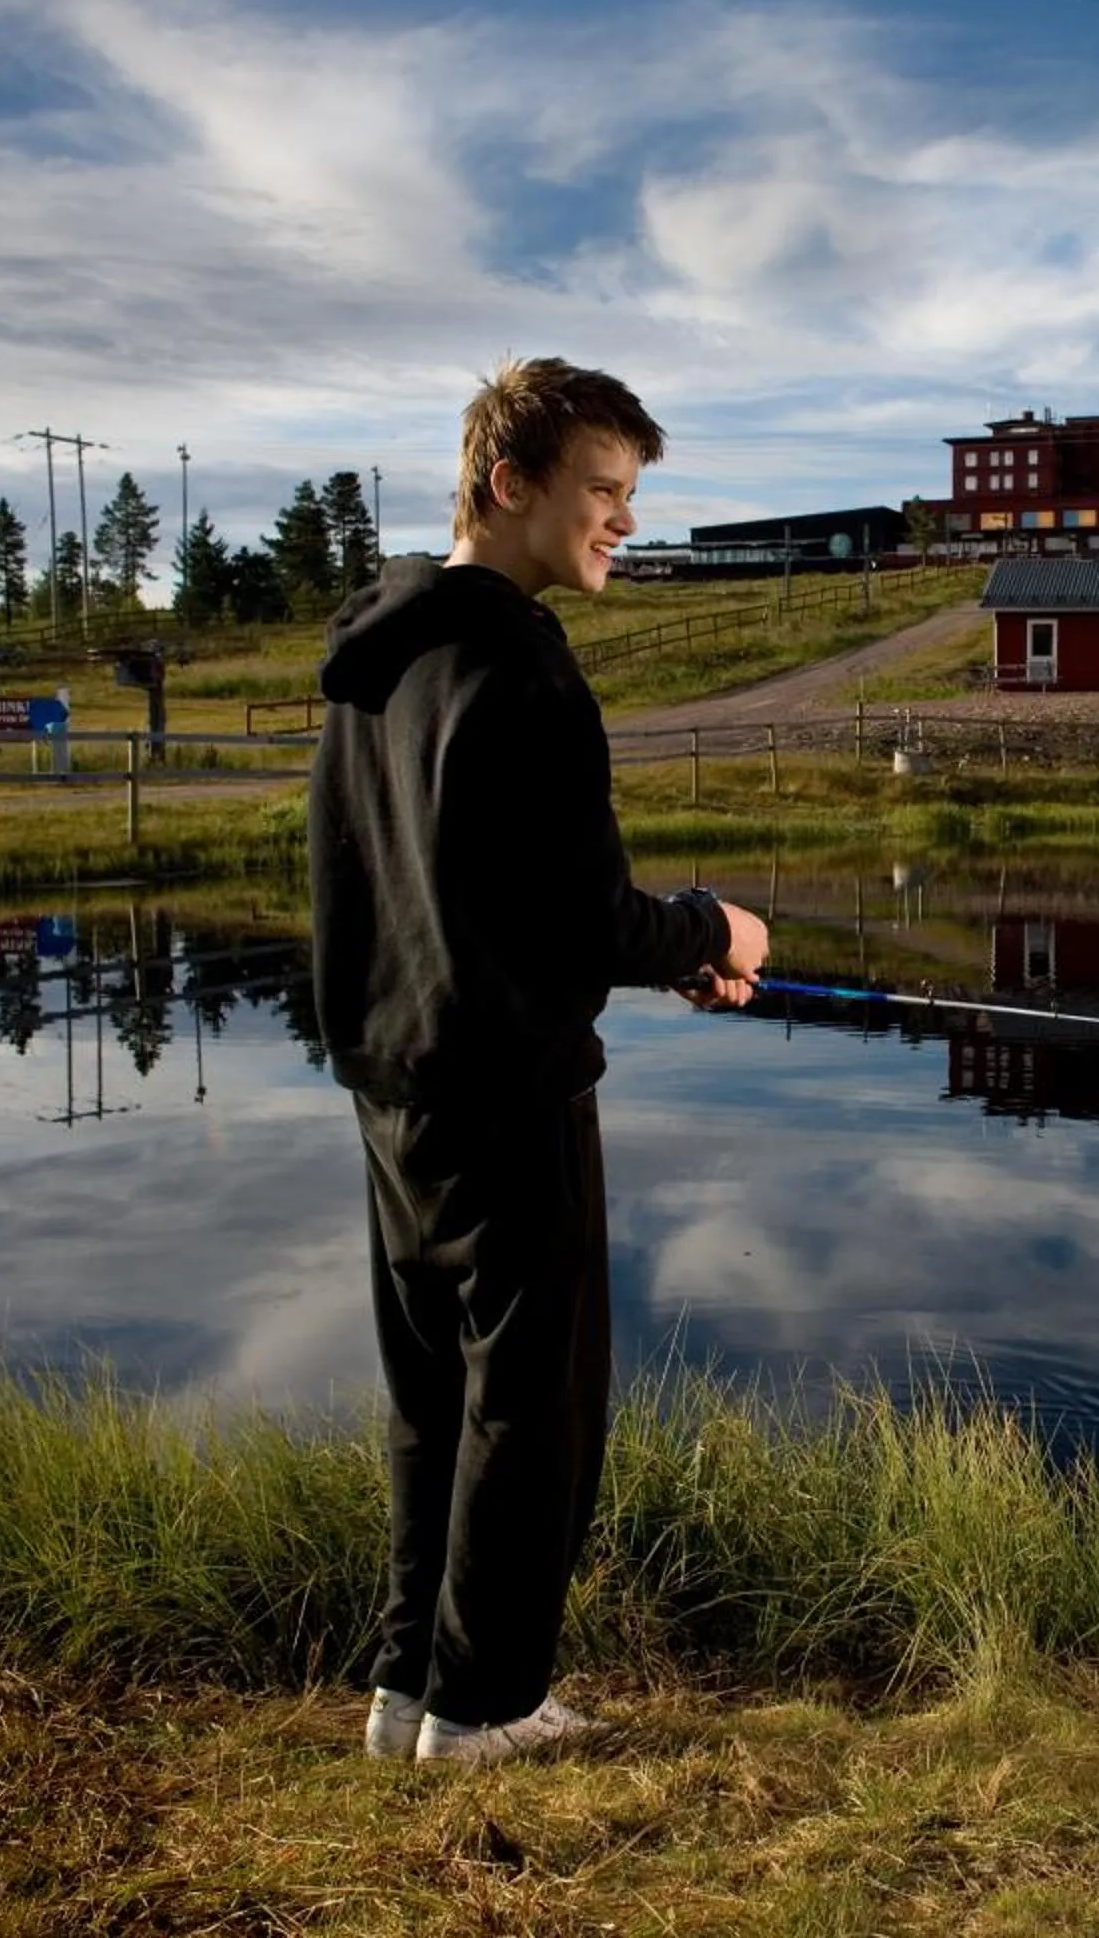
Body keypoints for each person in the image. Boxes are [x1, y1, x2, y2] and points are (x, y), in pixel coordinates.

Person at [308, 357, 769, 1768]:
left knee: (431, 1396)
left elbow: (461, 894)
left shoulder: (375, 652)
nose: (622, 520)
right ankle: (485, 1706)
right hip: (506, 1093)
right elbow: (579, 912)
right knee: (533, 1405)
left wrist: (643, 950)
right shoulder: (519, 661)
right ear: (510, 486)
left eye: (632, 494)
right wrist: (714, 926)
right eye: (602, 491)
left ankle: (412, 1692)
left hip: (396, 1085)